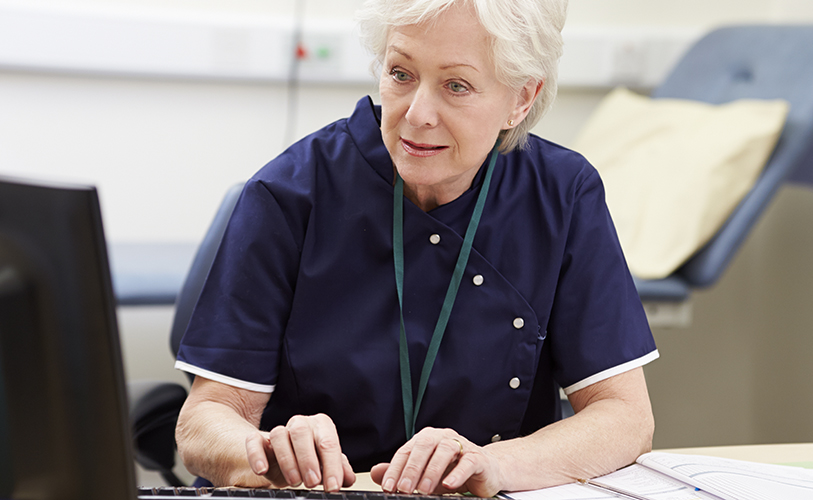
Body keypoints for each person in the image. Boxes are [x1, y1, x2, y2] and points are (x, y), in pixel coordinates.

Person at [173, 0, 657, 497]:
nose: (417, 114)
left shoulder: (561, 195)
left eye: (456, 86)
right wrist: (265, 456)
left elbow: (623, 414)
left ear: (522, 99)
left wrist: (492, 465)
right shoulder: (292, 192)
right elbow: (206, 418)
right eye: (401, 74)